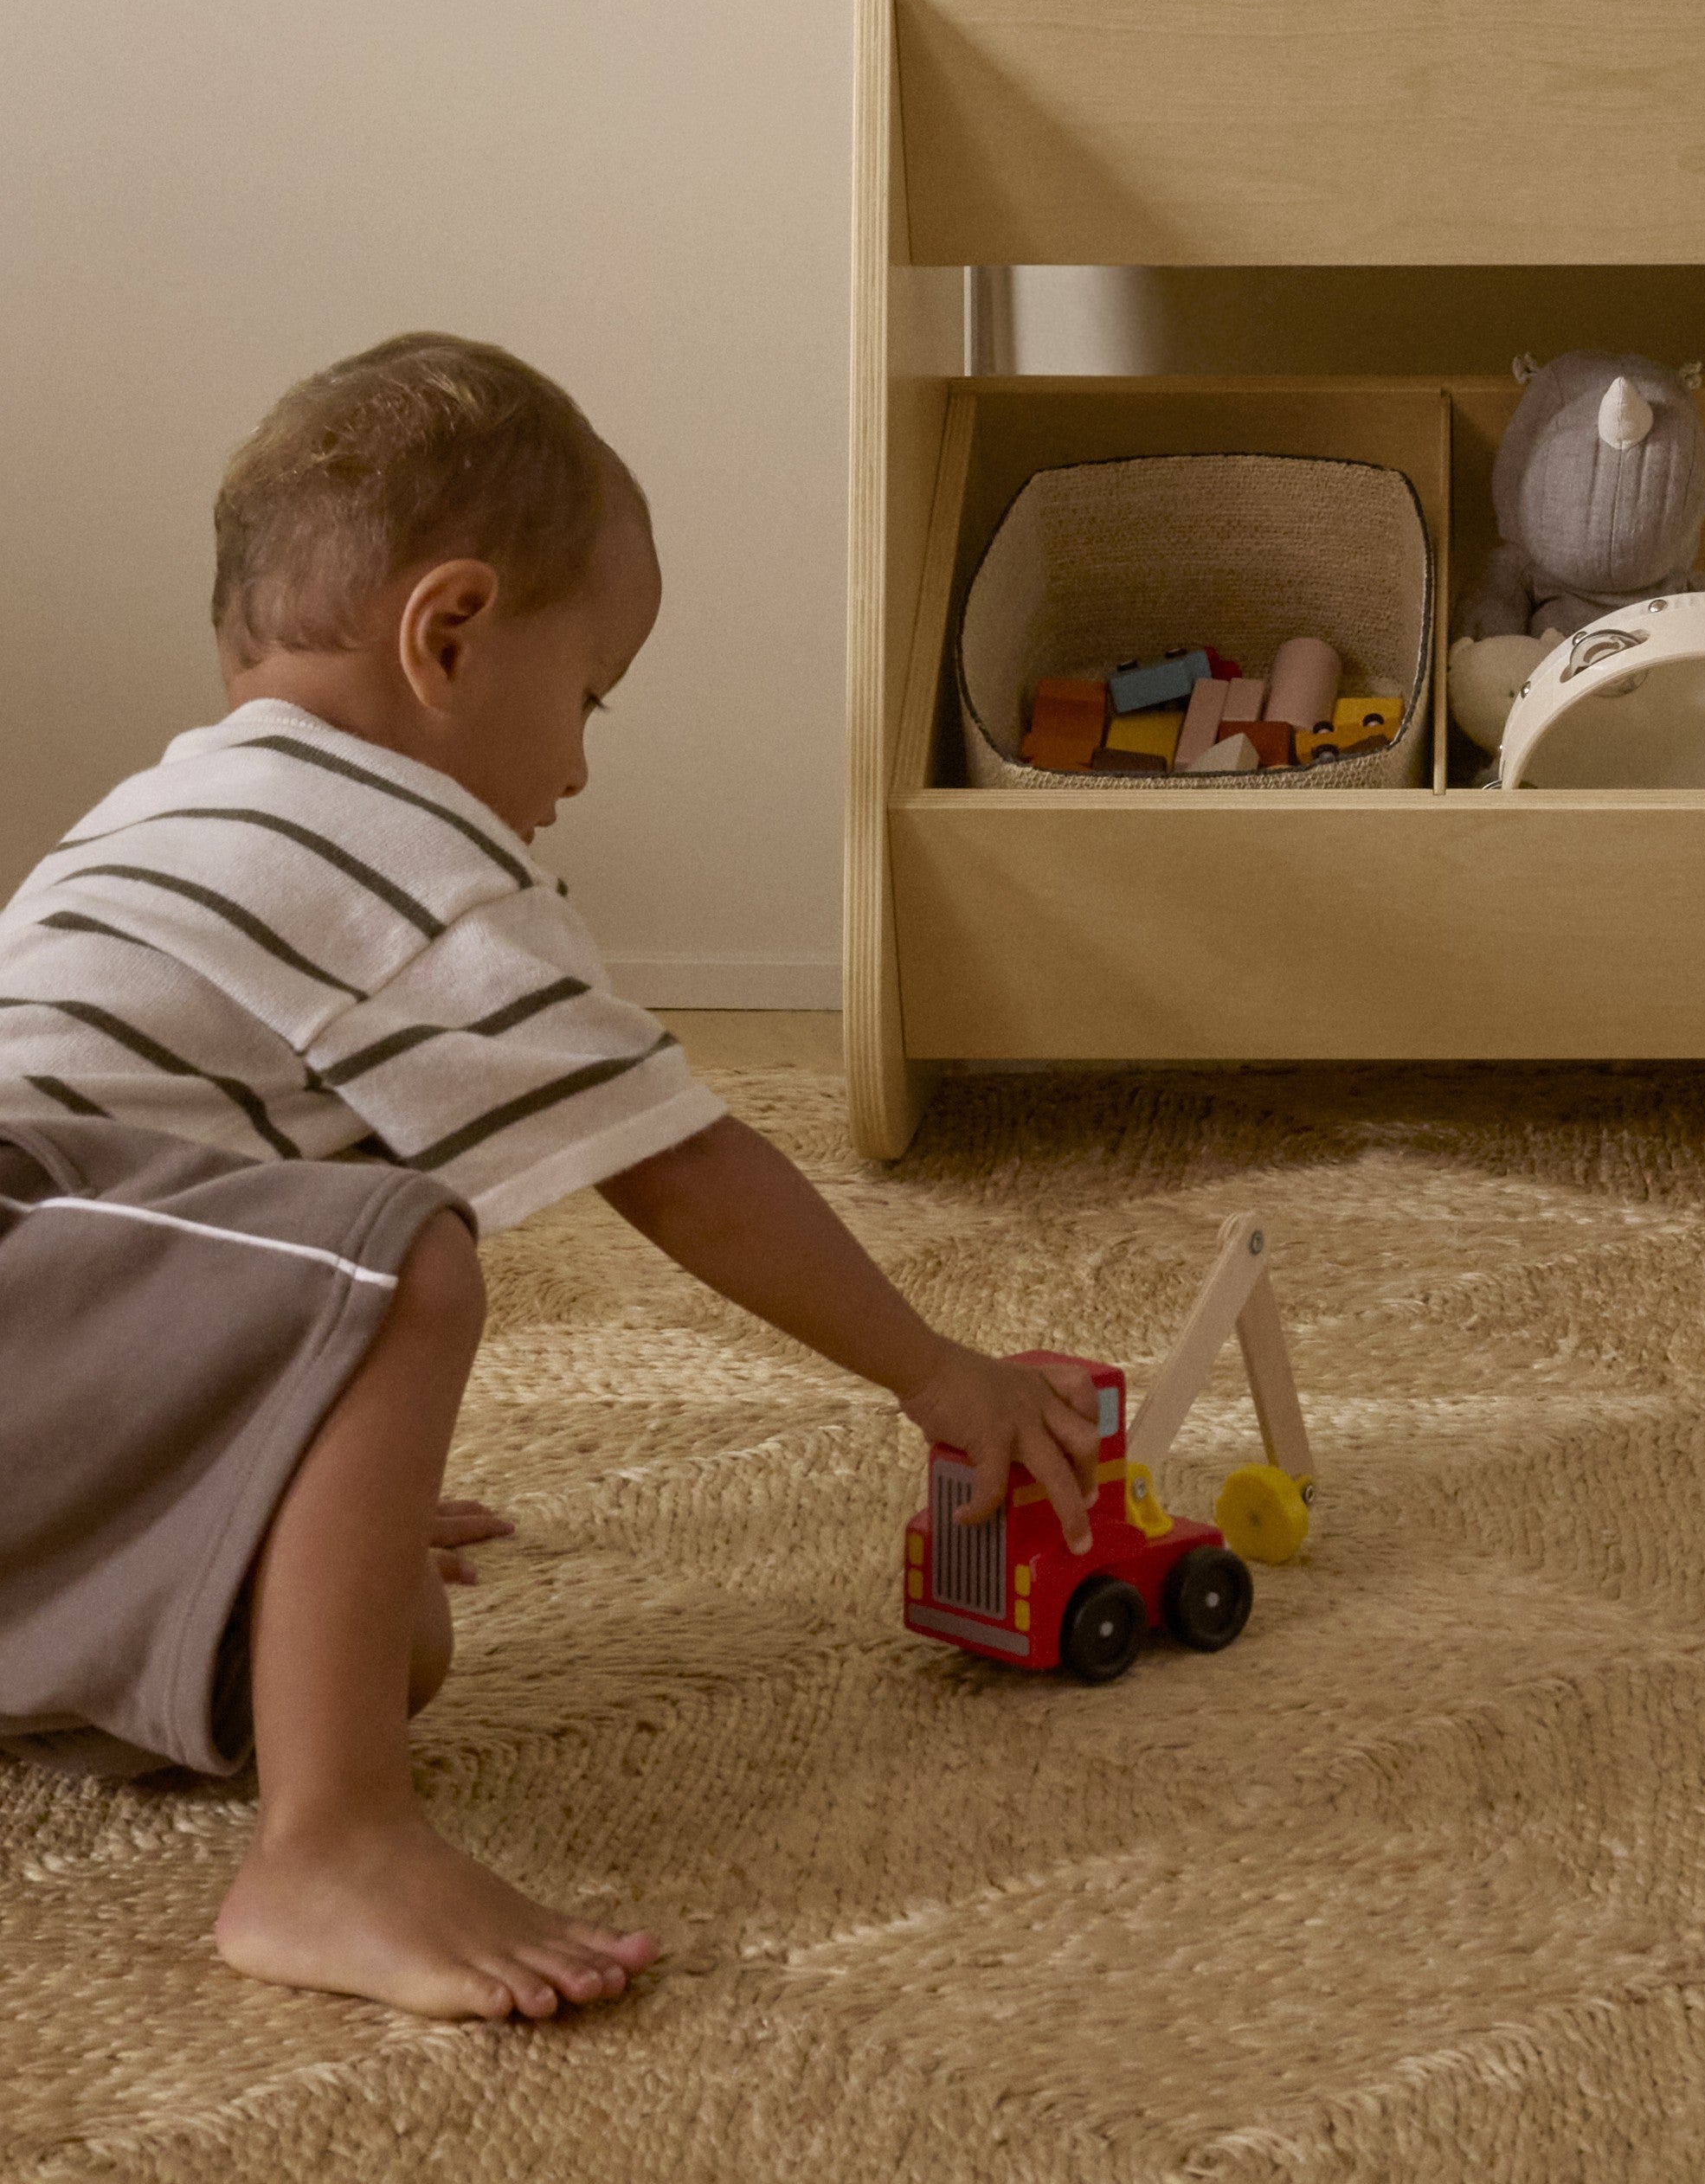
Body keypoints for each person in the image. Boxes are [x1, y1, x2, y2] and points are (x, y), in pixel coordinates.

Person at [0, 333, 1099, 2020]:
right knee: (402, 1257)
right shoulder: (394, 842)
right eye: (587, 697)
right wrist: (932, 1368)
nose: (578, 770)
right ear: (448, 635)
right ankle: (334, 1846)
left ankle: (233, 1525)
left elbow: (151, 1218)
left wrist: (277, 1462)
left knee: (384, 1645)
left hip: (50, 1358)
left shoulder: (163, 808)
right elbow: (683, 1166)